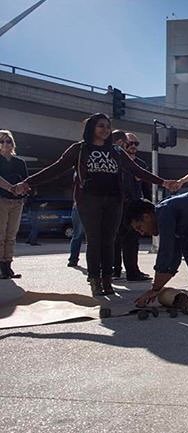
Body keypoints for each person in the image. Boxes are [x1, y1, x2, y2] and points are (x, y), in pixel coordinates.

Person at [13, 113, 178, 296]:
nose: (105, 130)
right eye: (101, 126)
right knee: (94, 240)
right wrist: (28, 182)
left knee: (109, 241)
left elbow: (136, 170)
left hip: (114, 201)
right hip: (89, 200)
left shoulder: (116, 151)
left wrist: (163, 182)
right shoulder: (80, 149)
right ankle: (94, 280)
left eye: (108, 126)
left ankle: (107, 280)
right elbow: (56, 168)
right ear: (91, 128)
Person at [111, 131, 151, 281]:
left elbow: (146, 186)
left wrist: (148, 205)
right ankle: (114, 271)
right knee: (114, 240)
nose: (133, 146)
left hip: (134, 208)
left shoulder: (141, 164)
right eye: (130, 143)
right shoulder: (116, 162)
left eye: (136, 144)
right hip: (117, 207)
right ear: (122, 143)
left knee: (132, 240)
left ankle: (133, 272)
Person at [0, 129, 28, 279]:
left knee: (11, 234)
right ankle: (1, 267)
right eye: (2, 141)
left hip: (17, 202)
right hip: (1, 200)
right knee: (0, 234)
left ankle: (8, 265)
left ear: (12, 143)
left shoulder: (20, 162)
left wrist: (21, 191)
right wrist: (11, 188)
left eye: (8, 141)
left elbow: (26, 181)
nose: (5, 144)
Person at [67, 203, 86, 268]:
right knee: (94, 236)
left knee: (77, 235)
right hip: (87, 205)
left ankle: (73, 259)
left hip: (79, 205)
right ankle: (97, 263)